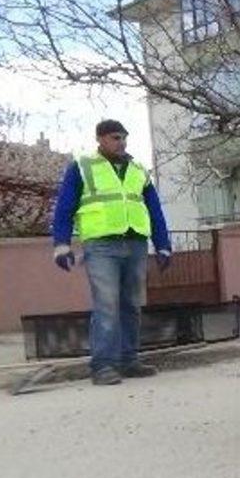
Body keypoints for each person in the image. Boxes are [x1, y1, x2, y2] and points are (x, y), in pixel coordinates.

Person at [51, 119, 172, 385]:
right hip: (101, 245)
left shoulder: (138, 170)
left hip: (135, 242)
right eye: (115, 138)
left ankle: (129, 360)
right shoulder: (83, 167)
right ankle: (103, 365)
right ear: (100, 139)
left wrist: (163, 245)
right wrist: (61, 244)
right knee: (106, 304)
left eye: (124, 138)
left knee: (132, 304)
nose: (121, 143)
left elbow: (154, 210)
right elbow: (64, 207)